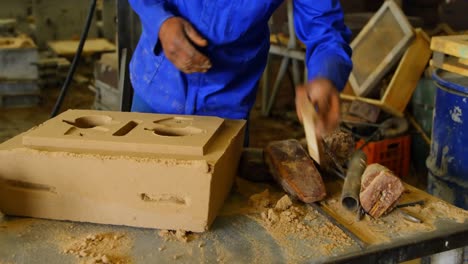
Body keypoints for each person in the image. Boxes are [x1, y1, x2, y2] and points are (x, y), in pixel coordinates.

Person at [128, 0, 352, 139]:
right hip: (158, 86)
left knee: (220, 205)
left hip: (228, 105)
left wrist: (326, 75)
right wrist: (160, 22)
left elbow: (325, 31)